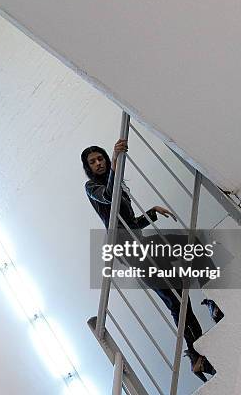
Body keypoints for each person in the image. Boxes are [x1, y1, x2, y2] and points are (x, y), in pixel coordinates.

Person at [81, 138, 216, 382]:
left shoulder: (118, 186)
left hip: (139, 244)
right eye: (93, 162)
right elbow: (109, 197)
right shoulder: (91, 187)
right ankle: (200, 342)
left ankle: (197, 356)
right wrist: (114, 162)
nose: (98, 163)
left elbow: (130, 224)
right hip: (130, 250)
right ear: (88, 168)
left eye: (100, 158)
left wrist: (151, 213)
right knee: (178, 287)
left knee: (178, 297)